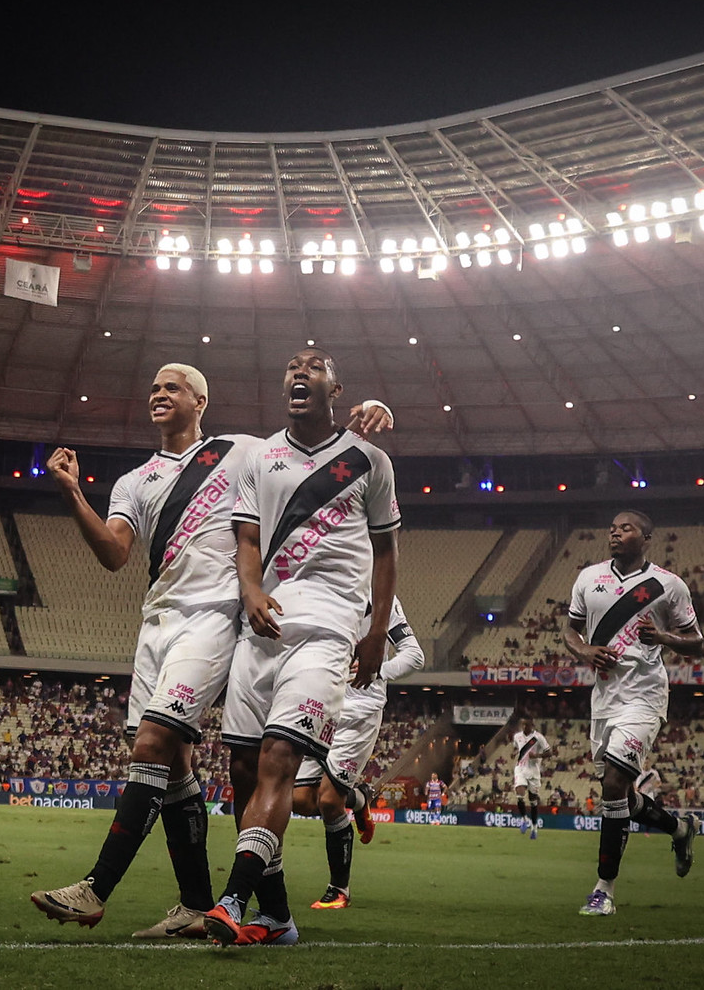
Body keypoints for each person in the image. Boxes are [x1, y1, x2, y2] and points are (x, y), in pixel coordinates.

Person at [30, 362, 391, 939]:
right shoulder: (133, 481)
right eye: (152, 387)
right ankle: (200, 905)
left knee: (155, 742)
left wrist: (376, 409)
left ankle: (96, 888)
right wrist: (74, 495)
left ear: (201, 400)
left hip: (217, 615)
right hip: (157, 620)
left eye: (171, 387)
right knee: (175, 767)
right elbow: (114, 554)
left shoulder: (240, 450)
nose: (158, 394)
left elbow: (315, 449)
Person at [206, 347, 400, 947]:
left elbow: (388, 552)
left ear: (336, 387)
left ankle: (232, 900)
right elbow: (246, 537)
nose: (298, 371)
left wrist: (375, 634)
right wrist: (252, 589)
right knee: (242, 769)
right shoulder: (260, 457)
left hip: (328, 628)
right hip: (261, 627)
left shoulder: (368, 460)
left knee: (278, 765)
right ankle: (279, 916)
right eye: (291, 364)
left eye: (314, 366)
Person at [563, 509, 704, 917]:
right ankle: (680, 829)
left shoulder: (667, 585)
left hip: (644, 696)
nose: (615, 531)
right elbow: (569, 630)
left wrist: (663, 637)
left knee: (612, 785)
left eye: (626, 528)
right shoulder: (588, 578)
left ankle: (603, 888)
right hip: (604, 699)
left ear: (646, 538)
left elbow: (698, 643)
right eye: (612, 527)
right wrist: (586, 650)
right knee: (622, 795)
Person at [293, 594, 424, 911]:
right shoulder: (319, 583)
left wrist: (379, 669)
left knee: (328, 799)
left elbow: (414, 656)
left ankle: (339, 889)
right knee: (300, 800)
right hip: (318, 706)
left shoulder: (379, 597)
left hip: (358, 713)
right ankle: (360, 798)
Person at [511, 718, 554, 839]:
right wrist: (514, 753)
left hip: (534, 772)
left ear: (532, 726)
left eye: (527, 725)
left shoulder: (538, 738)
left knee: (533, 801)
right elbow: (516, 747)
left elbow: (549, 752)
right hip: (521, 769)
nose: (524, 727)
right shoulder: (517, 736)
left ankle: (534, 828)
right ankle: (524, 819)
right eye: (523, 725)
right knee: (519, 794)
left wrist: (537, 755)